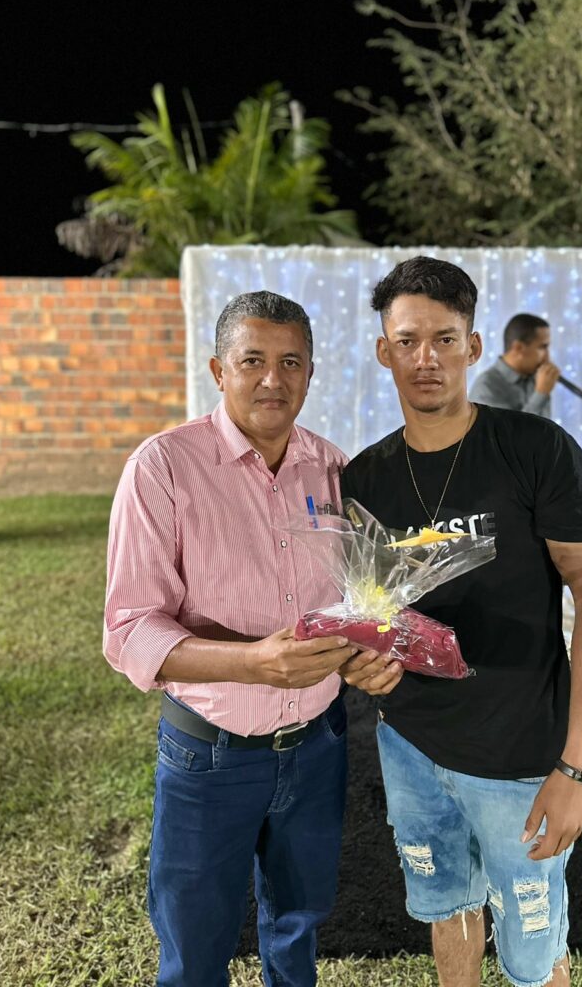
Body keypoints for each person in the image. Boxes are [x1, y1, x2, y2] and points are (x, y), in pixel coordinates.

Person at [103, 290, 400, 987]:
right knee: (194, 949)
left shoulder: (334, 469)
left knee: (298, 930)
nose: (273, 378)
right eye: (253, 360)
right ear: (218, 370)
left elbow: (360, 599)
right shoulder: (163, 468)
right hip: (211, 754)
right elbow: (130, 629)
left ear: (311, 373)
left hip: (317, 747)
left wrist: (372, 651)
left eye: (291, 362)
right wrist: (254, 663)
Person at [340, 257, 582, 987]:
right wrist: (359, 662)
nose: (425, 359)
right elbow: (375, 615)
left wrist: (575, 765)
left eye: (443, 339)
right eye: (407, 341)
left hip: (519, 754)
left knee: (534, 952)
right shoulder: (364, 479)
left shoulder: (535, 450)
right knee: (447, 910)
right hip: (410, 742)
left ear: (472, 346)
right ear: (384, 352)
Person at [469, 312, 559, 416]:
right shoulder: (486, 386)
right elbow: (507, 427)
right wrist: (541, 394)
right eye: (542, 347)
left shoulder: (536, 380)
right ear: (518, 348)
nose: (548, 358)